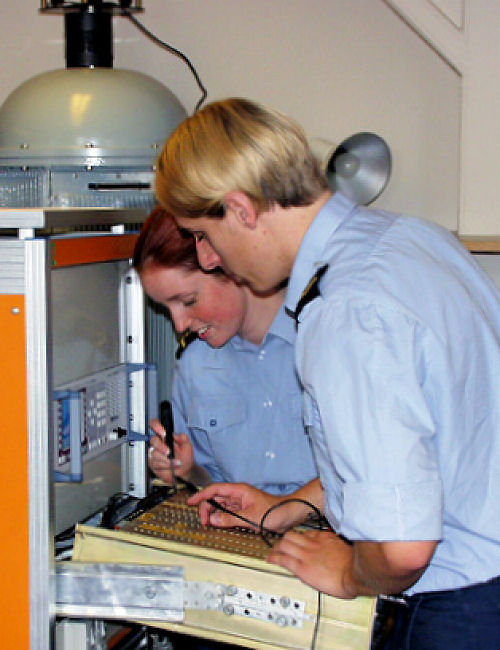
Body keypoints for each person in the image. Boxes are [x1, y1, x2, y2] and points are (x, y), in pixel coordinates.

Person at [154, 97, 500, 649]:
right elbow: (431, 449)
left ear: (241, 210)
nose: (210, 257)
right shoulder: (414, 240)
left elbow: (401, 549)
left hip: (460, 606)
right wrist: (284, 508)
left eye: (202, 234)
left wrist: (349, 573)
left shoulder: (345, 310)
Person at [133, 206, 318, 495]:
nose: (179, 325)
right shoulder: (195, 364)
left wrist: (285, 511)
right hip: (238, 524)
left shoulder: (321, 337)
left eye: (188, 301)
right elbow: (213, 486)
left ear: (230, 266)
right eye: (166, 309)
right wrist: (187, 469)